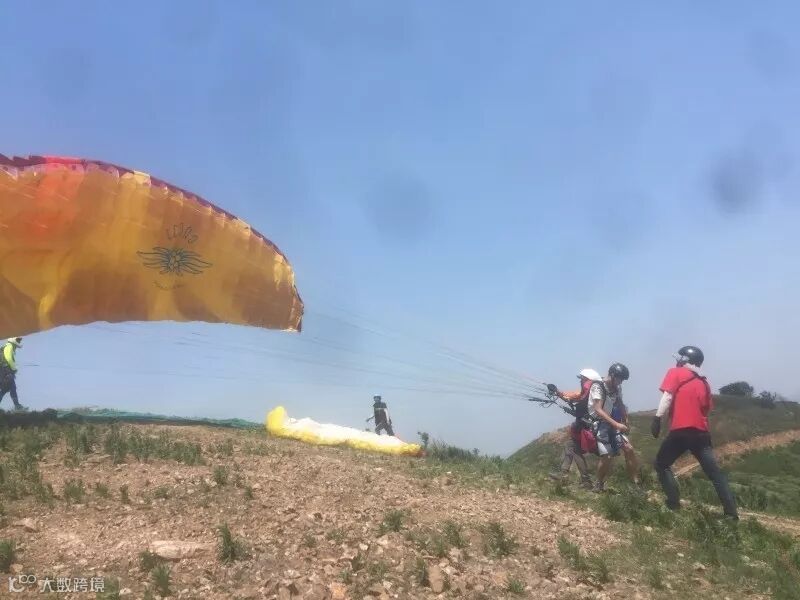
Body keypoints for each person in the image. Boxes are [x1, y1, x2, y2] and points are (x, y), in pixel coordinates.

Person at [651, 346, 738, 519]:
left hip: (681, 431)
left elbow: (667, 396)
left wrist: (657, 418)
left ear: (685, 359)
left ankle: (673, 502)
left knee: (661, 464)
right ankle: (731, 514)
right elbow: (706, 409)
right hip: (701, 433)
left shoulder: (675, 372)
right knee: (714, 473)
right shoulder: (704, 383)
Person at [548, 368, 603, 489]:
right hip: (585, 428)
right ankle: (565, 475)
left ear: (588, 380)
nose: (580, 382)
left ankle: (586, 481)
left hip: (588, 430)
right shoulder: (589, 393)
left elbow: (579, 401)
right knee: (571, 446)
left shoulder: (592, 394)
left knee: (574, 448)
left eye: (582, 379)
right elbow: (572, 396)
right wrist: (557, 392)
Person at [589, 362, 630, 493]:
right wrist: (616, 424)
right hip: (599, 423)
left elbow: (620, 402)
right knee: (606, 455)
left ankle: (635, 483)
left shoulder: (617, 388)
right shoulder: (598, 386)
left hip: (611, 422)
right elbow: (598, 409)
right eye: (619, 379)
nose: (621, 382)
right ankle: (598, 484)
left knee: (628, 448)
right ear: (612, 375)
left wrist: (625, 418)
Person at [0, 337, 26, 411]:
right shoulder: (10, 346)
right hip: (6, 371)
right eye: (18, 340)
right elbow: (8, 358)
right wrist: (14, 369)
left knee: (6, 389)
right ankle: (17, 406)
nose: (19, 342)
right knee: (11, 388)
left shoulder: (7, 346)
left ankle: (17, 406)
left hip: (4, 371)